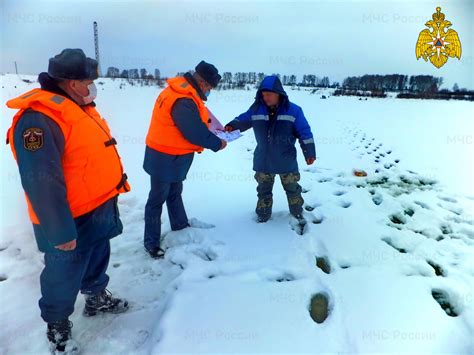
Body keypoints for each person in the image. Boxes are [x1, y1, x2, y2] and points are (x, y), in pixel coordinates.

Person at [5, 49, 130, 354]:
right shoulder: (38, 120)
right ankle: (57, 324)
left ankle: (96, 297)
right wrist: (59, 232)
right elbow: (40, 181)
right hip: (68, 218)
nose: (93, 86)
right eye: (89, 81)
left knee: (97, 258)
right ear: (72, 82)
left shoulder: (79, 106)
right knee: (62, 274)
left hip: (98, 206)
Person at [143, 61, 226, 259]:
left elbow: (195, 124)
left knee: (174, 193)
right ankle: (151, 243)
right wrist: (217, 143)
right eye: (209, 87)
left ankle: (180, 227)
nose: (209, 91)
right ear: (201, 81)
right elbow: (194, 132)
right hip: (164, 157)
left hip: (173, 156)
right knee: (157, 199)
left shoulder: (182, 92)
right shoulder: (183, 99)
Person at [225, 75, 316, 223]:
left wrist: (309, 152)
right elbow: (243, 119)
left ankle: (297, 212)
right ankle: (263, 215)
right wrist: (233, 125)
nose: (265, 98)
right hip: (264, 160)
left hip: (286, 160)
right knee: (263, 191)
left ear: (278, 93)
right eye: (263, 94)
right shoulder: (256, 109)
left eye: (268, 94)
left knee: (292, 189)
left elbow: (304, 132)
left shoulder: (293, 110)